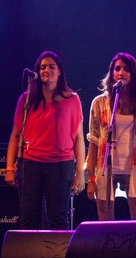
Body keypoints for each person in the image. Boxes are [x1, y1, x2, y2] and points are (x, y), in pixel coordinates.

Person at [5, 51, 86, 229]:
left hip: (61, 164)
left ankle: (58, 249)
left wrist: (80, 172)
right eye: (42, 67)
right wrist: (10, 167)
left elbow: (79, 137)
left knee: (58, 218)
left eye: (51, 67)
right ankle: (30, 249)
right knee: (28, 218)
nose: (46, 70)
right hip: (30, 164)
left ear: (59, 71)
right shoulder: (27, 99)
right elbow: (15, 135)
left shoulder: (72, 99)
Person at [86, 53, 136, 220]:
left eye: (126, 69)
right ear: (112, 73)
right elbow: (94, 143)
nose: (121, 72)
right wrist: (91, 179)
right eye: (117, 69)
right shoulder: (99, 103)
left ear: (133, 74)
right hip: (106, 169)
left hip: (134, 170)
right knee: (105, 225)